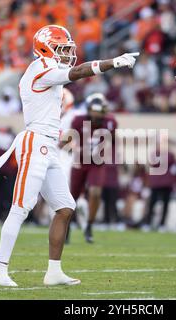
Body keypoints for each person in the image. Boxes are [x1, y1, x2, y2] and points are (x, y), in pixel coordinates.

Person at [0, 25, 139, 287]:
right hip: (34, 143)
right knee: (21, 208)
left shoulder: (48, 68)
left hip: (49, 146)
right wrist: (112, 62)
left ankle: (53, 271)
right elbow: (77, 72)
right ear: (46, 47)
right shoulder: (39, 68)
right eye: (63, 49)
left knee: (65, 207)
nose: (68, 53)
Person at [66, 93, 118, 243]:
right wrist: (77, 149)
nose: (96, 115)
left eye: (99, 111)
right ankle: (67, 226)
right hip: (80, 162)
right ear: (88, 110)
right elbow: (70, 141)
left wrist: (106, 150)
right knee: (71, 198)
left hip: (97, 163)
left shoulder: (110, 122)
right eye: (93, 111)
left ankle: (89, 225)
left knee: (95, 192)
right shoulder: (78, 121)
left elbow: (113, 140)